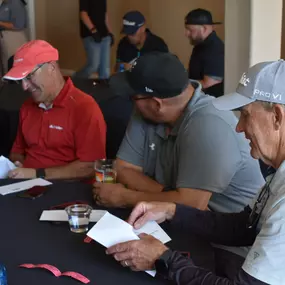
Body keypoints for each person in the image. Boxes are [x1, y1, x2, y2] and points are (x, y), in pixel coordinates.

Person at [106, 60, 285, 285]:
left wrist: (162, 259)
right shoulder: (278, 173)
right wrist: (173, 211)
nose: (239, 127)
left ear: (277, 117)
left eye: (246, 115)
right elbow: (244, 226)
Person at [5, 40, 106, 180]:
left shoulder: (84, 107)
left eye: (29, 76)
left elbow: (91, 165)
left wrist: (37, 174)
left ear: (51, 67)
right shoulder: (27, 106)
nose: (24, 87)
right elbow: (17, 151)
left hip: (66, 187)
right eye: (21, 79)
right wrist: (17, 165)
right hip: (26, 185)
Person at [185, 8, 224, 97]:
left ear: (204, 28)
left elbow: (209, 83)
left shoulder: (214, 48)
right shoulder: (200, 44)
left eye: (190, 30)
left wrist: (182, 87)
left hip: (209, 102)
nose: (186, 34)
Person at [74, 0, 113, 80]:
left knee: (105, 70)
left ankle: (104, 91)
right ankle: (75, 80)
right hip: (90, 36)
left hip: (104, 35)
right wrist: (93, 31)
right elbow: (83, 14)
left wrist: (110, 32)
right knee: (93, 66)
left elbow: (104, 14)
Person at [0, 0, 28, 74]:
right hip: (5, 36)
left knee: (15, 63)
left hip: (14, 37)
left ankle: (16, 84)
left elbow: (19, 25)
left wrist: (1, 23)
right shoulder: (4, 3)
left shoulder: (16, 2)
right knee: (6, 64)